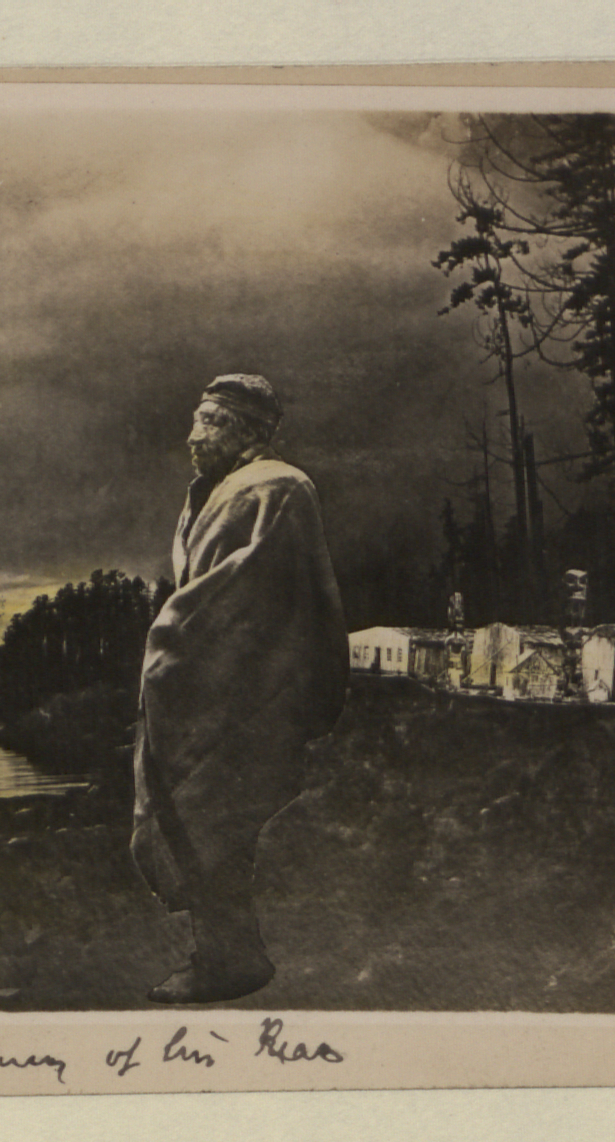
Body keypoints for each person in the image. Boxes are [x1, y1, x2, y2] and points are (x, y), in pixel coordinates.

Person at [132, 373, 349, 1004]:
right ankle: (229, 953)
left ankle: (228, 962)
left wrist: (169, 653)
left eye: (207, 421)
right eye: (196, 420)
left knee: (216, 825)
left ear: (246, 429)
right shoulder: (220, 491)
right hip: (210, 692)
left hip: (246, 694)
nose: (192, 436)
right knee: (207, 825)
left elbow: (232, 599)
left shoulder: (274, 488)